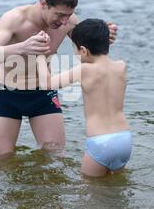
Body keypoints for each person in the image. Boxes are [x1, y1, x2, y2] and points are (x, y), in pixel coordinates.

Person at [0, 0, 118, 159]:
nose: (64, 21)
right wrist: (22, 48)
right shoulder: (14, 19)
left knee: (55, 159)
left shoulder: (68, 21)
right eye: (59, 15)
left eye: (68, 15)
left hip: (43, 94)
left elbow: (89, 49)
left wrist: (104, 38)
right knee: (2, 162)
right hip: (7, 94)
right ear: (44, 4)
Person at [36, 19, 132, 177]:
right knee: (116, 187)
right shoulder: (121, 66)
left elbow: (48, 84)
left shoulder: (84, 70)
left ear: (83, 50)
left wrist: (40, 55)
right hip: (124, 140)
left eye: (75, 50)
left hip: (101, 141)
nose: (75, 55)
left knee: (90, 193)